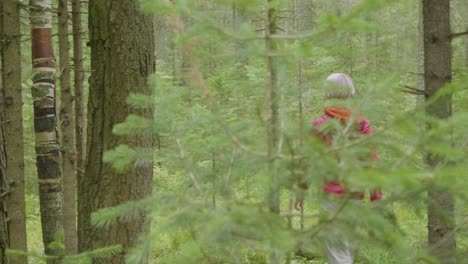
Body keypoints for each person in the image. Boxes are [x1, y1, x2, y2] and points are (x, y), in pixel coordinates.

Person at [295, 73, 381, 264]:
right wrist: (375, 196)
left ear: (328, 94)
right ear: (351, 94)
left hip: (331, 198)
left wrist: (301, 190)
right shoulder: (362, 124)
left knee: (337, 252)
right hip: (355, 196)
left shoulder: (320, 125)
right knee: (345, 249)